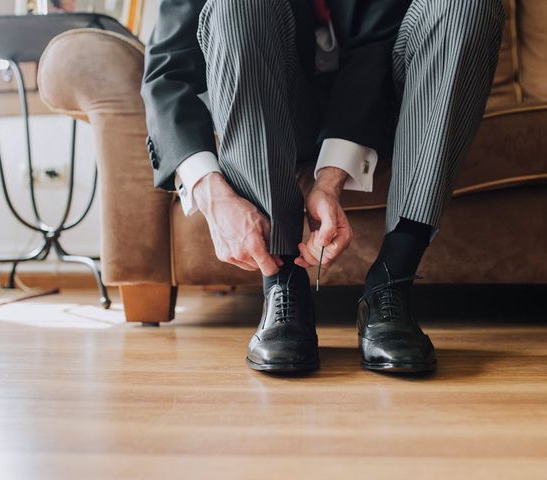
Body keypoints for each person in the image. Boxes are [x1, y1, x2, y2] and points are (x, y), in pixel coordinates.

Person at [142, 0, 504, 373]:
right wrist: (211, 192)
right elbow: (169, 68)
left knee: (466, 5)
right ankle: (281, 281)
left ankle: (390, 283)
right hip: (268, 91)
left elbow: (374, 45)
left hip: (389, 100)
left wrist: (330, 178)